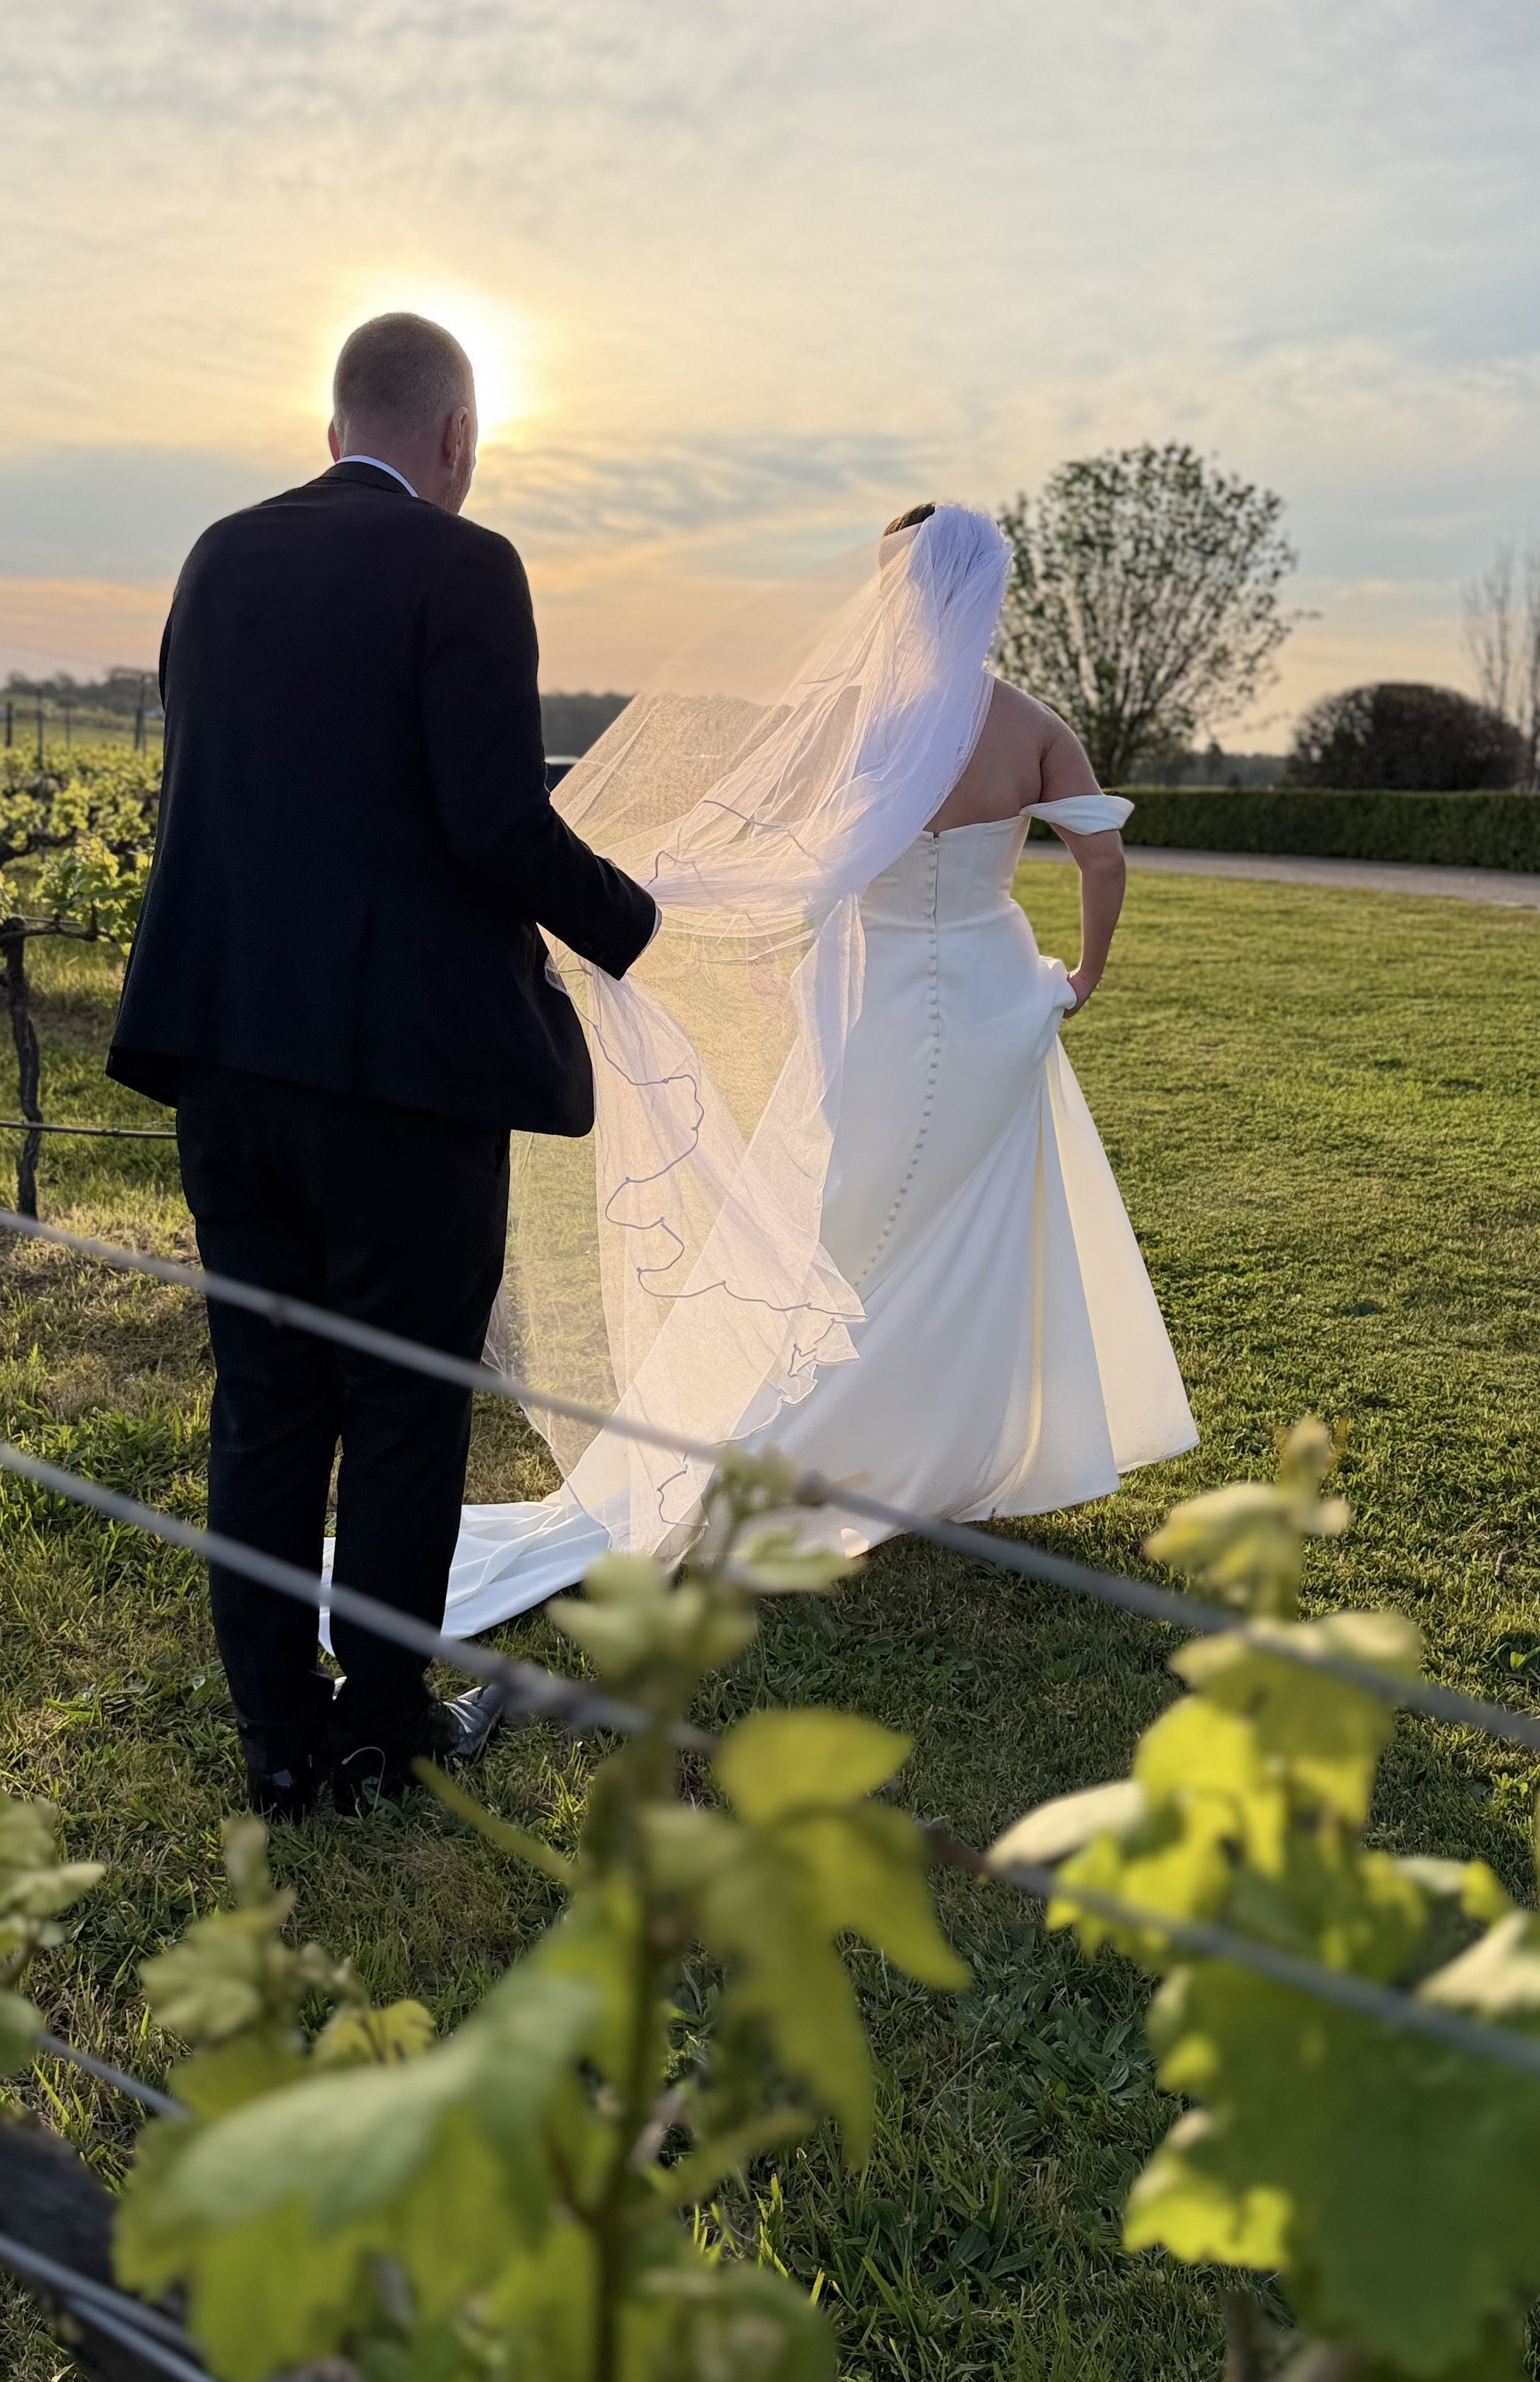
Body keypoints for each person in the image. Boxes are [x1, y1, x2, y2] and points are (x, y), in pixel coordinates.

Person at [439, 500, 1195, 1634]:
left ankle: (808, 1445)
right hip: (994, 994)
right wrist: (1083, 975)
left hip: (878, 995)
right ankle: (926, 1459)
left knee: (845, 1218)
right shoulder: (1032, 725)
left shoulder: (850, 718)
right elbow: (1102, 855)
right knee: (967, 1226)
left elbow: (778, 847)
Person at [108, 312, 658, 1816]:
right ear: (460, 436)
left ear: (331, 421)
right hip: (402, 1080)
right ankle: (385, 1727)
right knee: (406, 1404)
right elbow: (492, 818)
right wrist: (632, 922)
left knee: (266, 1401)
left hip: (224, 1056)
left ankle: (276, 1739)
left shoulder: (218, 557)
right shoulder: (464, 567)